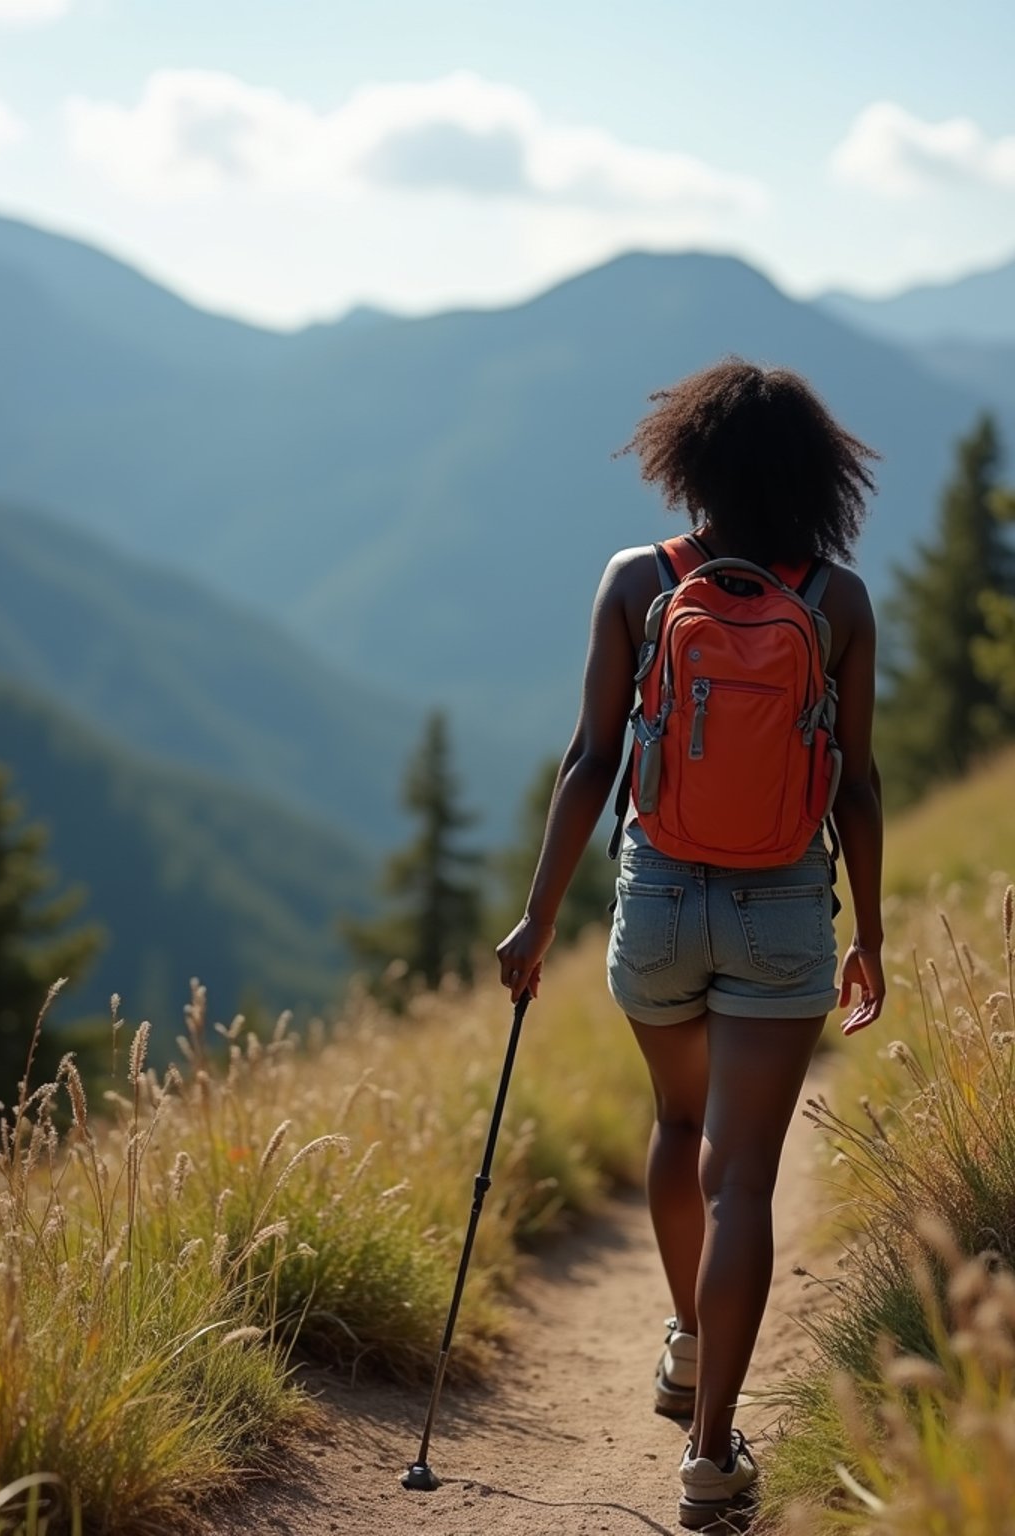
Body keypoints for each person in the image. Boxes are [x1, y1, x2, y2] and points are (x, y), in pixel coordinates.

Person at [494, 358, 886, 1531]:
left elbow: (589, 763)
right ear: (817, 473)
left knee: (674, 1127)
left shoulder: (637, 582)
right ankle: (712, 1457)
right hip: (779, 910)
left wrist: (538, 913)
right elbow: (856, 783)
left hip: (657, 898)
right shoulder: (837, 601)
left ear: (689, 461)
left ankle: (680, 1344)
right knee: (743, 1180)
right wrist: (868, 930)